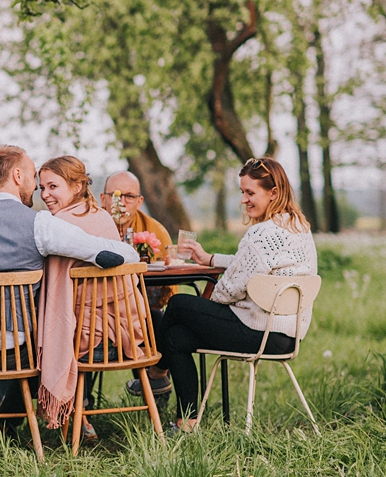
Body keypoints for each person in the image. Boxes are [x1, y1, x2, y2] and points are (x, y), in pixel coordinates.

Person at [0, 145, 139, 440]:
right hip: (19, 353)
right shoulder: (41, 224)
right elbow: (102, 253)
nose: (36, 187)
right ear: (17, 175)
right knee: (20, 333)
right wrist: (128, 252)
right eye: (32, 176)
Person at [126, 157, 318, 432]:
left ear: (273, 193)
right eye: (242, 192)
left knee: (179, 304)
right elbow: (255, 266)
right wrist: (211, 258)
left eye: (250, 192)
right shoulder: (297, 227)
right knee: (175, 337)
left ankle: (157, 371)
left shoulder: (260, 234)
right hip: (286, 335)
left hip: (258, 331)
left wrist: (208, 304)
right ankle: (187, 422)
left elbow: (226, 291)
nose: (244, 200)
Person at [37, 156, 145, 439]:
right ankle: (79, 411)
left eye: (52, 186)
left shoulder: (59, 224)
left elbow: (55, 295)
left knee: (29, 332)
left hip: (86, 339)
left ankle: (4, 418)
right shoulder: (102, 216)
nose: (45, 194)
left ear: (76, 186)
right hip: (128, 335)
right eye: (41, 188)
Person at [100, 171, 175, 309]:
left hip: (142, 303)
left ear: (139, 201)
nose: (121, 203)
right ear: (103, 199)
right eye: (115, 196)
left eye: (129, 196)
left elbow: (167, 284)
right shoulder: (91, 226)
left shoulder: (155, 230)